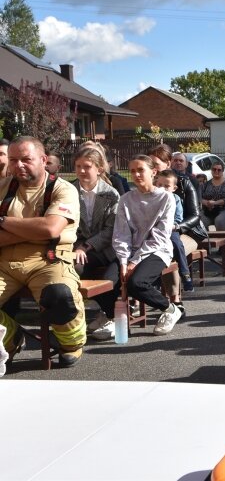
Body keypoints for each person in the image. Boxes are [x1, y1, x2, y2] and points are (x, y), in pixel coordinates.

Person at [0, 137, 86, 367]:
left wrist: (3, 220)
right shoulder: (2, 187)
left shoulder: (63, 188)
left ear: (43, 160)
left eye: (26, 159)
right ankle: (10, 338)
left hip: (48, 261)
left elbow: (51, 228)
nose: (19, 165)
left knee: (59, 295)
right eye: (13, 160)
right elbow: (44, 229)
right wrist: (34, 230)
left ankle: (71, 344)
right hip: (5, 262)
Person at [114, 154, 182, 335]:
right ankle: (108, 316)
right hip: (131, 251)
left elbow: (160, 236)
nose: (136, 175)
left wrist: (134, 262)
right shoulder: (126, 199)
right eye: (132, 171)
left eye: (140, 170)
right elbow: (121, 234)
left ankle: (171, 309)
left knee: (137, 283)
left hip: (157, 250)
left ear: (153, 172)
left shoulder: (166, 198)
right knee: (110, 281)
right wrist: (123, 260)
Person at [147, 145, 207, 313]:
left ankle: (176, 301)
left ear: (167, 163)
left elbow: (196, 215)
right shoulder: (150, 184)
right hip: (157, 233)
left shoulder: (184, 182)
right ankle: (148, 298)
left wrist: (176, 227)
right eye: (149, 162)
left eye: (155, 163)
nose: (151, 166)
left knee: (170, 250)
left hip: (187, 232)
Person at [72, 145, 122, 341]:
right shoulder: (69, 190)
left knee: (95, 273)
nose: (82, 171)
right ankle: (83, 315)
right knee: (74, 269)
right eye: (78, 166)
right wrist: (77, 245)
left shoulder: (110, 194)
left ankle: (110, 315)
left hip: (105, 247)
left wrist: (86, 245)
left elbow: (110, 230)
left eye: (87, 166)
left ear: (99, 169)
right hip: (77, 245)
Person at [157, 169, 195, 292]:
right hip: (155, 231)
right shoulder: (153, 198)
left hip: (171, 229)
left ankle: (185, 274)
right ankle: (155, 282)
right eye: (160, 185)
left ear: (174, 188)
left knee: (177, 244)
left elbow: (178, 218)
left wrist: (171, 226)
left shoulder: (175, 199)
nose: (163, 188)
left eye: (167, 186)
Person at [200, 161, 225, 231]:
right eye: (214, 169)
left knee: (219, 221)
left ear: (223, 171)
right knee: (200, 221)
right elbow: (199, 198)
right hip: (208, 212)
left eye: (219, 170)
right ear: (211, 170)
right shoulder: (205, 185)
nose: (216, 171)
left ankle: (222, 241)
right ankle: (206, 241)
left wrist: (215, 203)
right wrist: (207, 203)